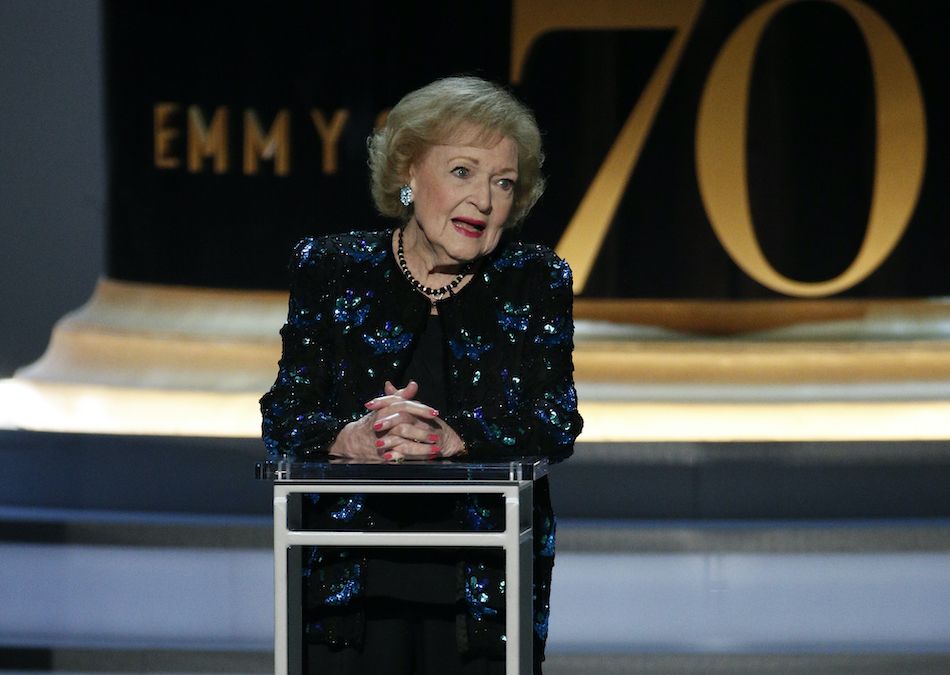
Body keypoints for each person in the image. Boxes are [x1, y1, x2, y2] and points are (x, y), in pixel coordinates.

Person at [260, 76, 582, 674]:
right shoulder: (332, 268)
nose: (484, 201)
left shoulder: (534, 279)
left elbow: (556, 420)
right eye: (463, 172)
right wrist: (347, 439)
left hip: (480, 588)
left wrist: (455, 439)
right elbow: (284, 411)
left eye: (503, 182)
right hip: (350, 584)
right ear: (408, 171)